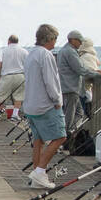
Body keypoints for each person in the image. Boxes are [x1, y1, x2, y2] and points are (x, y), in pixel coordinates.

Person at [22, 24, 66, 189]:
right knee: (60, 137)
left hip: (30, 105)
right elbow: (51, 81)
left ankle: (37, 178)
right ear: (49, 39)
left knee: (38, 140)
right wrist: (57, 101)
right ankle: (39, 171)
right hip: (45, 105)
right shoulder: (46, 55)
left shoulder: (31, 54)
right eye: (55, 39)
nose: (55, 42)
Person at [56, 29, 101, 135]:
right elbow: (81, 69)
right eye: (79, 41)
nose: (81, 43)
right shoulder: (70, 52)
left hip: (67, 87)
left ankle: (70, 135)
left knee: (79, 113)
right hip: (71, 88)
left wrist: (93, 71)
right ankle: (64, 139)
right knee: (69, 116)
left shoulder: (63, 50)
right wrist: (96, 73)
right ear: (73, 40)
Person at [0, 34, 27, 117]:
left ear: (9, 41)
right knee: (19, 96)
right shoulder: (24, 51)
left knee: (1, 96)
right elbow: (28, 64)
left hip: (7, 76)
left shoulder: (4, 50)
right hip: (20, 76)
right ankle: (15, 115)